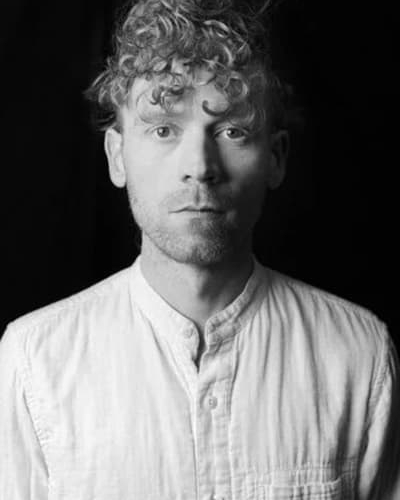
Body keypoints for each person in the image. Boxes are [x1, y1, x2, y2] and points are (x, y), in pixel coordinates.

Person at [1, 0, 399, 498]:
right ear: (117, 157)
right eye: (163, 129)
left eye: (232, 131)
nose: (200, 167)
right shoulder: (33, 361)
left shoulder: (359, 354)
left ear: (276, 158)